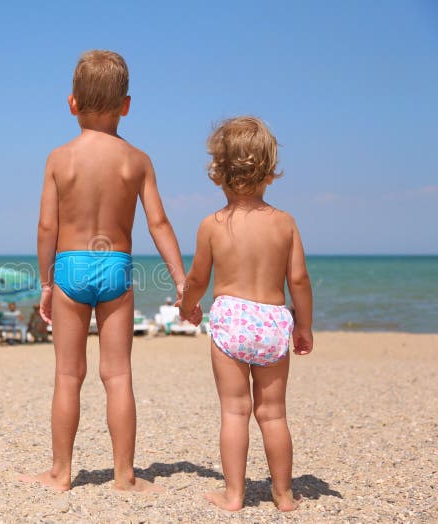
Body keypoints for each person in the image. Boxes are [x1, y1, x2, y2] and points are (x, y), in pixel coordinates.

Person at [20, 50, 186, 492]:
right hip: (116, 267)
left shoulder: (59, 159)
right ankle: (125, 475)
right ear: (126, 105)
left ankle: (59, 473)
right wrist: (182, 280)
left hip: (70, 265)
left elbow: (46, 226)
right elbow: (158, 223)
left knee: (67, 376)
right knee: (118, 375)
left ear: (71, 102)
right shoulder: (137, 160)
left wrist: (46, 283)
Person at [179, 116, 313, 512]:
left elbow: (197, 279)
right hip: (273, 322)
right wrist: (303, 325)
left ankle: (234, 495)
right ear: (270, 172)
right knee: (273, 414)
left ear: (218, 172)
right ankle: (284, 496)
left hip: (231, 321)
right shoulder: (285, 223)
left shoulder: (212, 225)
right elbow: (300, 280)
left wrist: (188, 307)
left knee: (234, 411)